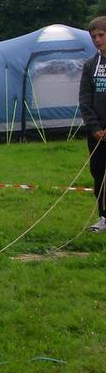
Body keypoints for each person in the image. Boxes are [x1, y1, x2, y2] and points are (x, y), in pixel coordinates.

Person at [79, 16, 106, 232]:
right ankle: (104, 216)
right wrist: (95, 128)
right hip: (97, 134)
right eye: (93, 36)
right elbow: (85, 100)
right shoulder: (90, 65)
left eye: (101, 35)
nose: (97, 40)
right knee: (99, 173)